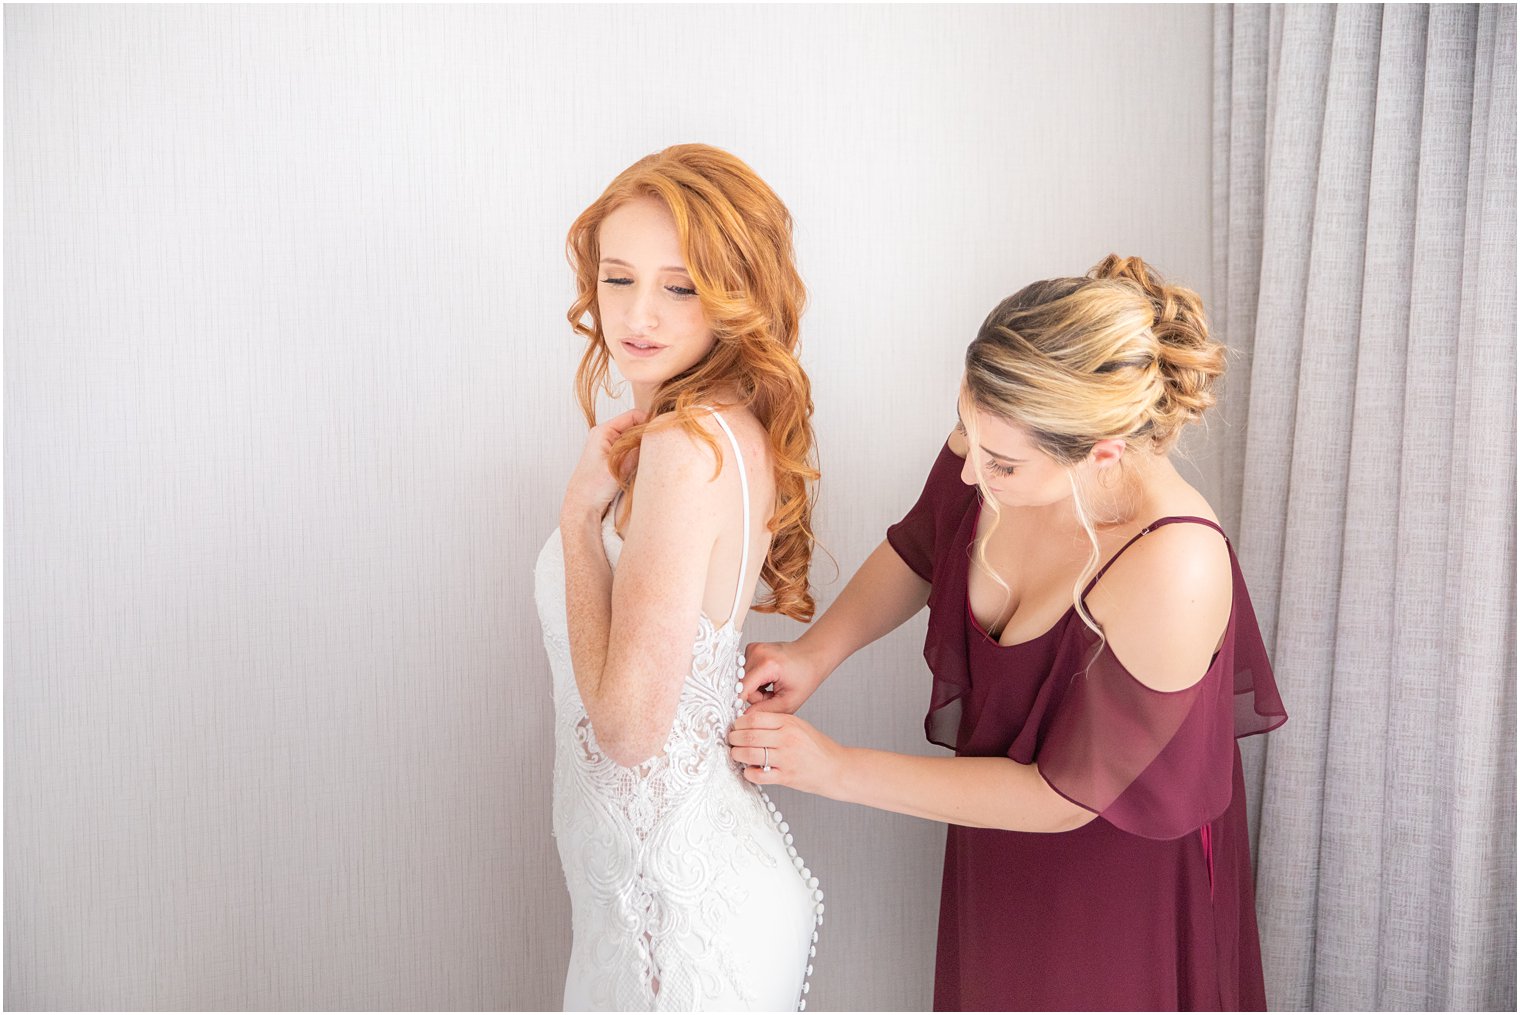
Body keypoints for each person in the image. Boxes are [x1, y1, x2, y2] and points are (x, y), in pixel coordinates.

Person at [729, 255, 1288, 1011]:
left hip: (1111, 887)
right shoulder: (1000, 431)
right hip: (993, 829)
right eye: (966, 432)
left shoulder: (1174, 564)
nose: (968, 472)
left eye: (999, 465)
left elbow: (1063, 796)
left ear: (1102, 454)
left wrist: (835, 769)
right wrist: (812, 654)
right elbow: (924, 544)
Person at [533, 144, 824, 1012]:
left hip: (680, 914)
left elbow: (626, 729)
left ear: (734, 295)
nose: (639, 314)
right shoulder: (709, 429)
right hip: (647, 897)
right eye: (618, 279)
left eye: (681, 285)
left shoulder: (683, 444)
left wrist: (578, 522)